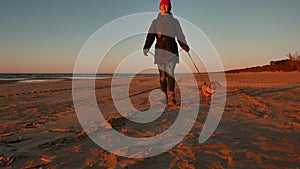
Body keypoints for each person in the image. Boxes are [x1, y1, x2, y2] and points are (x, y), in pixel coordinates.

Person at [143, 0, 190, 106]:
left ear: (170, 7)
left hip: (171, 51)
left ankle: (171, 96)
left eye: (166, 5)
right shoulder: (155, 22)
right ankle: (163, 96)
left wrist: (184, 45)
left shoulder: (175, 21)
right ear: (159, 7)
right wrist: (146, 47)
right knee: (162, 76)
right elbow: (150, 35)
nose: (164, 6)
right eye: (162, 5)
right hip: (160, 51)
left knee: (170, 73)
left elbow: (180, 35)